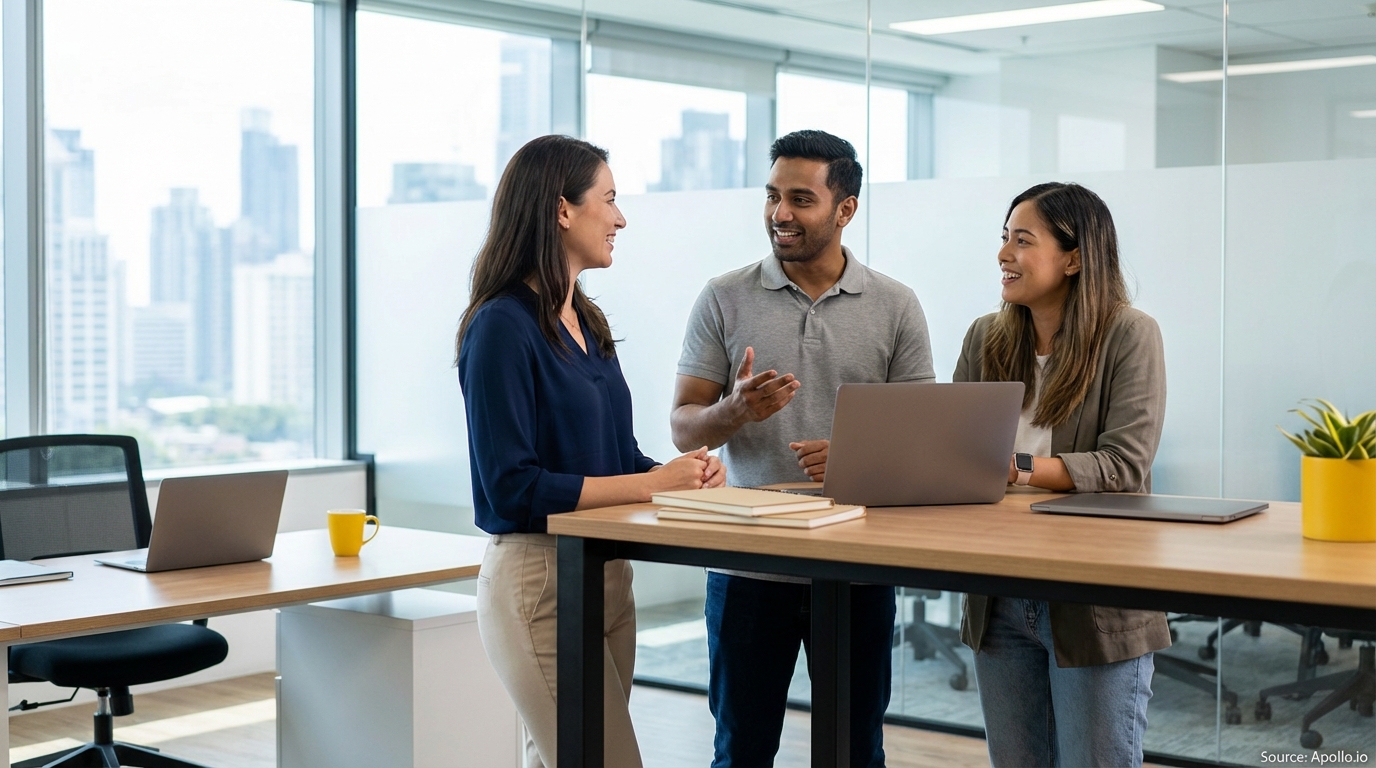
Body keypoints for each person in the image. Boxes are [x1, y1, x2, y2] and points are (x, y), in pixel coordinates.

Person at [455, 135, 725, 768]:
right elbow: (513, 488)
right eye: (609, 199)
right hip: (539, 582)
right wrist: (655, 486)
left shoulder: (586, 319)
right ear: (561, 211)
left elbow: (616, 455)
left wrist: (677, 474)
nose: (621, 218)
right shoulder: (501, 326)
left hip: (606, 576)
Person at [672, 129, 935, 768]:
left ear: (844, 209)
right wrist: (736, 410)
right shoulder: (723, 296)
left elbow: (925, 440)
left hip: (856, 566)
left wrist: (855, 453)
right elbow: (683, 428)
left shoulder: (896, 306)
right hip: (747, 564)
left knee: (852, 749)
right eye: (771, 196)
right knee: (740, 749)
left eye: (800, 199)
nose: (779, 214)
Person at [954, 182, 1169, 767]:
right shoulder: (985, 338)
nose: (1004, 254)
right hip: (998, 593)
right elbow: (950, 450)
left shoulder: (1129, 334)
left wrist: (1017, 468)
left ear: (1074, 258)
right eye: (1003, 238)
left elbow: (1125, 466)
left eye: (1022, 240)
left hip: (1093, 598)